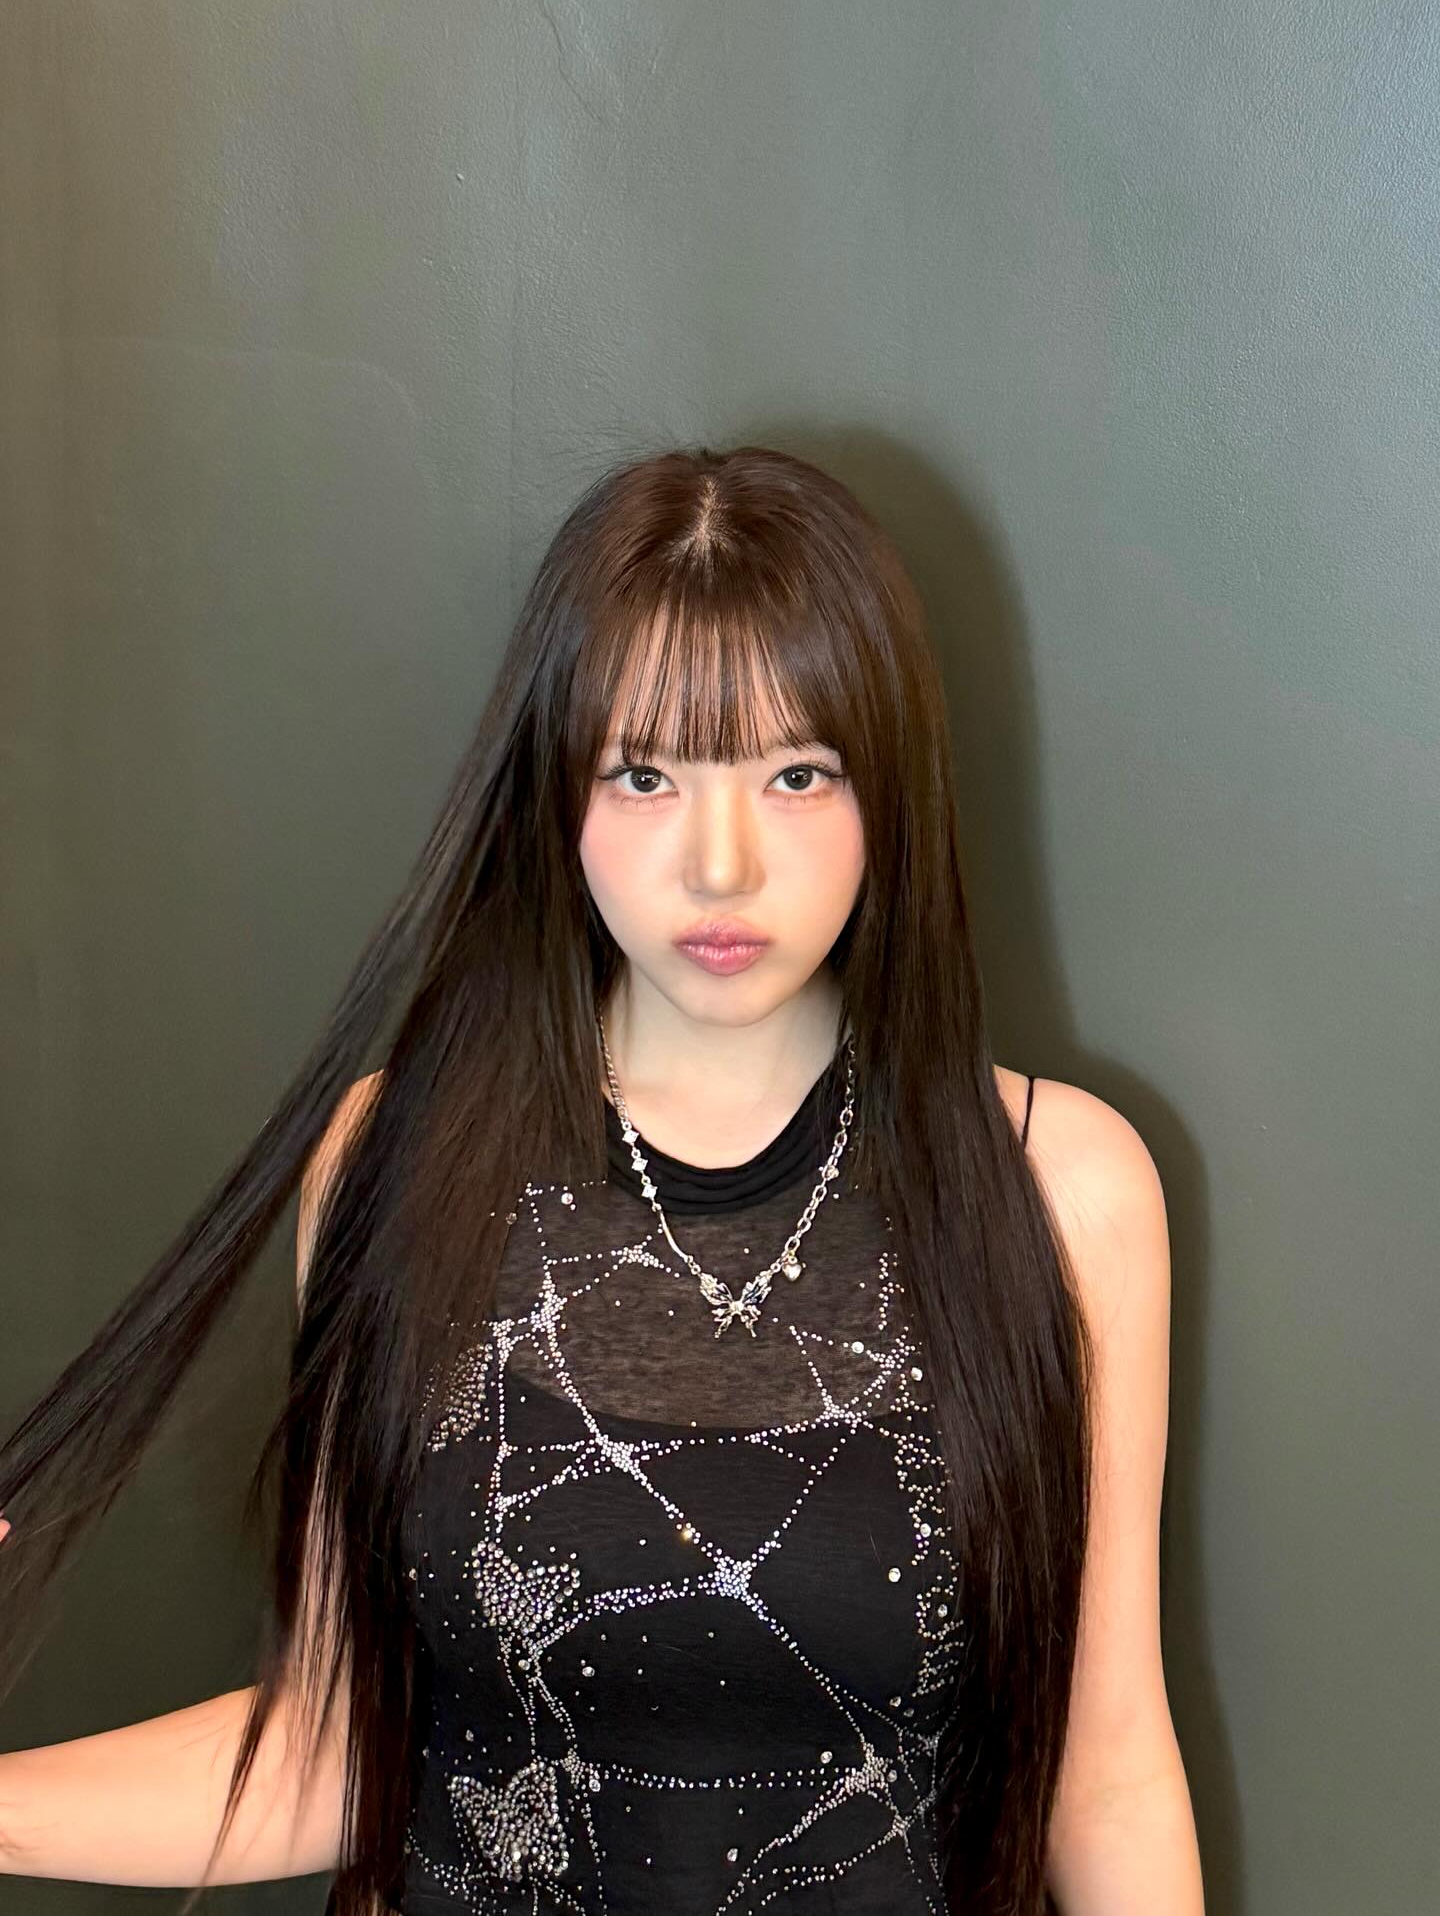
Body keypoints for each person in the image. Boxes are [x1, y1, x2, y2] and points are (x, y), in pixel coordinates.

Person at [0, 443, 1203, 1913]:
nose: (720, 865)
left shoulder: (1059, 1191)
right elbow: (333, 1747)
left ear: (890, 788)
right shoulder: (393, 1159)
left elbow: (1108, 1774)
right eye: (644, 774)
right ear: (556, 791)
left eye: (798, 773)